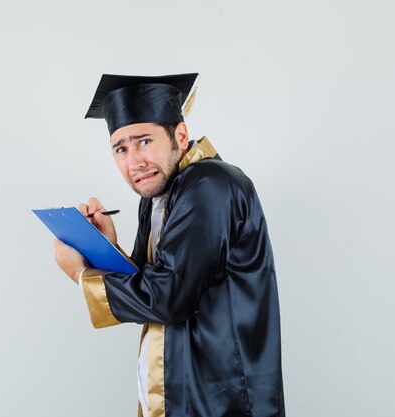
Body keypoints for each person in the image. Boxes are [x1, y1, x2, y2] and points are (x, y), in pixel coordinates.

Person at [53, 73, 284, 417]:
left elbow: (167, 298)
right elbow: (153, 283)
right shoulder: (158, 195)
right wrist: (106, 248)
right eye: (121, 149)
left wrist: (83, 275)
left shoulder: (210, 185)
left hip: (220, 404)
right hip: (177, 398)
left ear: (181, 134)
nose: (134, 162)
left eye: (144, 141)